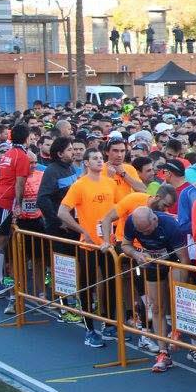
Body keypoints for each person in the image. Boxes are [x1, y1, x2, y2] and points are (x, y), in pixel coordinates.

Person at [57, 146, 120, 349]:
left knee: (111, 282)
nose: (100, 161)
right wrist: (83, 231)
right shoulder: (79, 185)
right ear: (86, 163)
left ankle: (109, 324)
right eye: (95, 158)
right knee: (87, 285)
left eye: (101, 157)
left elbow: (119, 209)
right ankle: (89, 329)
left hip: (108, 244)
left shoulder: (110, 183)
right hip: (89, 245)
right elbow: (62, 212)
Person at [119, 204, 189, 373]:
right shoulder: (132, 222)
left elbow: (184, 259)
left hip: (175, 262)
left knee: (177, 301)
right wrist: (136, 254)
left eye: (148, 230)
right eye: (140, 231)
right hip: (152, 263)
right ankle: (163, 352)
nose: (144, 234)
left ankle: (180, 331)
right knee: (156, 307)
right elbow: (125, 245)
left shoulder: (171, 225)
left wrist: (182, 286)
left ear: (154, 219)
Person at [0, 124, 32, 300]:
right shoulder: (22, 156)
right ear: (27, 138)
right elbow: (20, 183)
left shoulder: (8, 153)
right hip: (2, 202)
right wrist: (18, 204)